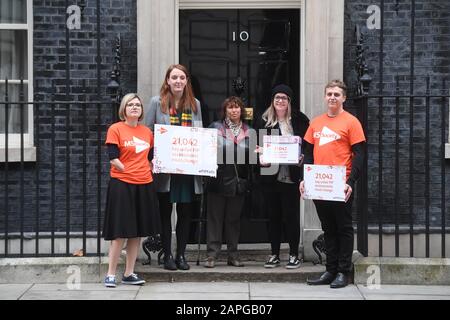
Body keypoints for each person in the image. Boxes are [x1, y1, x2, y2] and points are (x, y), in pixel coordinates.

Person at [299, 80, 366, 288]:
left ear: (344, 98)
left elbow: (360, 155)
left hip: (341, 184)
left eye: (337, 94)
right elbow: (308, 154)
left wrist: (350, 181)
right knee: (328, 228)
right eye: (329, 94)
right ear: (325, 96)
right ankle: (330, 270)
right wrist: (304, 179)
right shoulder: (316, 123)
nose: (332, 97)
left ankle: (343, 272)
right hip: (319, 184)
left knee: (343, 228)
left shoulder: (351, 122)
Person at [144, 64, 203, 271]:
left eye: (182, 77)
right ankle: (167, 255)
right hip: (166, 169)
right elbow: (147, 133)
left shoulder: (195, 104)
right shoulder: (156, 103)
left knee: (186, 213)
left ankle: (181, 255)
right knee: (165, 212)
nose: (178, 81)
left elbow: (199, 133)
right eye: (174, 77)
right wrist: (151, 158)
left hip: (187, 168)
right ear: (167, 80)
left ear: (187, 81)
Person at [103, 93, 161, 288]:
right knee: (120, 232)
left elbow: (152, 158)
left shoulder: (147, 133)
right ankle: (110, 274)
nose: (135, 107)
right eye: (130, 105)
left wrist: (148, 170)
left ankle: (129, 273)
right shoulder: (116, 129)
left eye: (137, 105)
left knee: (136, 232)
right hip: (122, 184)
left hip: (144, 184)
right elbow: (113, 157)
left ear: (142, 110)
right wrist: (129, 170)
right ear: (124, 109)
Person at [258, 84, 309, 269]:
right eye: (277, 97)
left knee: (291, 217)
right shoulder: (264, 121)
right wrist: (260, 158)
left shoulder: (300, 120)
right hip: (271, 177)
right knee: (273, 217)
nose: (280, 101)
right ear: (272, 100)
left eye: (284, 98)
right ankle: (274, 254)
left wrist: (303, 157)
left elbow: (308, 145)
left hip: (292, 177)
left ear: (289, 101)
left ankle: (294, 254)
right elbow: (257, 148)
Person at [204, 96, 252, 268]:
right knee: (214, 219)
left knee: (233, 221)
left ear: (241, 110)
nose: (234, 110)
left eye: (237, 107)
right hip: (218, 180)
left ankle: (233, 255)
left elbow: (253, 158)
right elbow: (205, 151)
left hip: (238, 183)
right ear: (225, 111)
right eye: (230, 107)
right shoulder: (215, 128)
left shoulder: (249, 131)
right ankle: (212, 255)